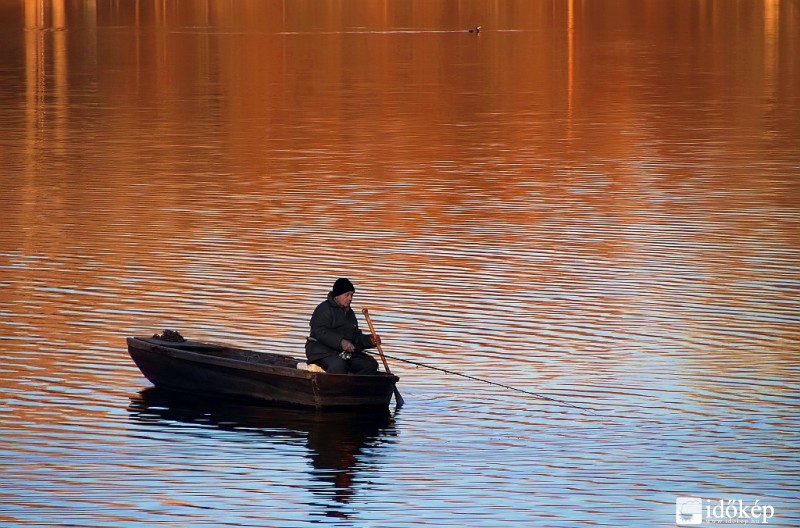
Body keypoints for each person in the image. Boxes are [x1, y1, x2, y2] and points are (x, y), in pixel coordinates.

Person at [306, 278, 381, 374]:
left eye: (352, 295)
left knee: (371, 364)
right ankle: (330, 387)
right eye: (347, 295)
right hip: (320, 352)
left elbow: (354, 337)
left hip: (342, 354)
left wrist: (369, 341)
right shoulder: (324, 309)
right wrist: (341, 342)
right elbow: (320, 332)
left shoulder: (350, 313)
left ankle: (356, 386)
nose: (350, 298)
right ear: (337, 295)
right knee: (339, 365)